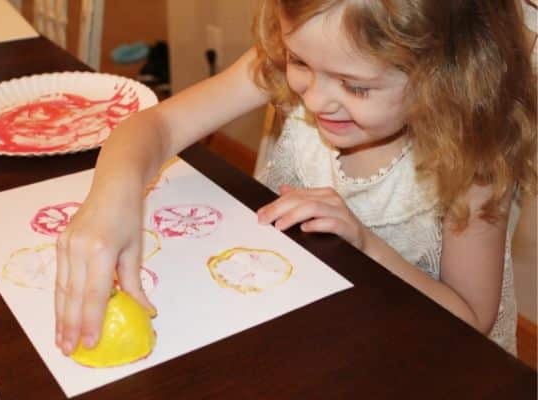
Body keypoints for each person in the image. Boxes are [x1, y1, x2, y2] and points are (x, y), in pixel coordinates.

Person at [55, 0, 536, 357]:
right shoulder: (307, 59)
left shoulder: (474, 156)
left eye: (355, 86)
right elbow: (157, 126)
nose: (315, 99)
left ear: (445, 73)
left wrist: (365, 246)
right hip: (300, 325)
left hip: (415, 356)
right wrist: (108, 202)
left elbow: (471, 320)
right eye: (299, 61)